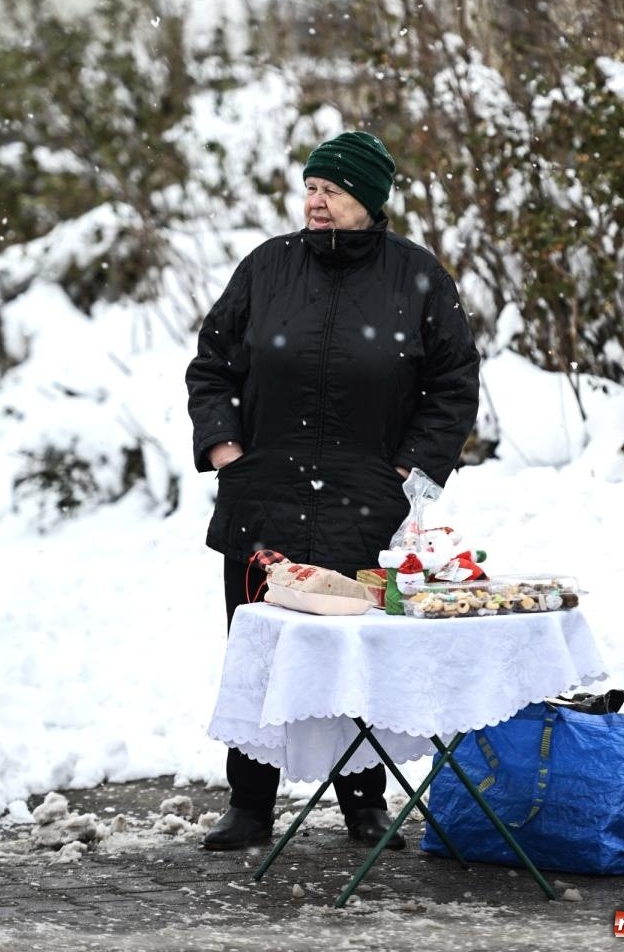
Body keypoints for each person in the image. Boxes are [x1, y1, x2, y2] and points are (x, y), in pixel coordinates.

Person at [186, 130, 480, 852]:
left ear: (368, 200)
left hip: (364, 497)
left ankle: (363, 803)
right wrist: (226, 450)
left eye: (333, 191)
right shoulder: (267, 268)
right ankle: (250, 804)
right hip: (264, 495)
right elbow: (213, 364)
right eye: (311, 188)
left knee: (356, 653)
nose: (315, 202)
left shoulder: (415, 276)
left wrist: (412, 469)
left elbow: (452, 381)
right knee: (257, 646)